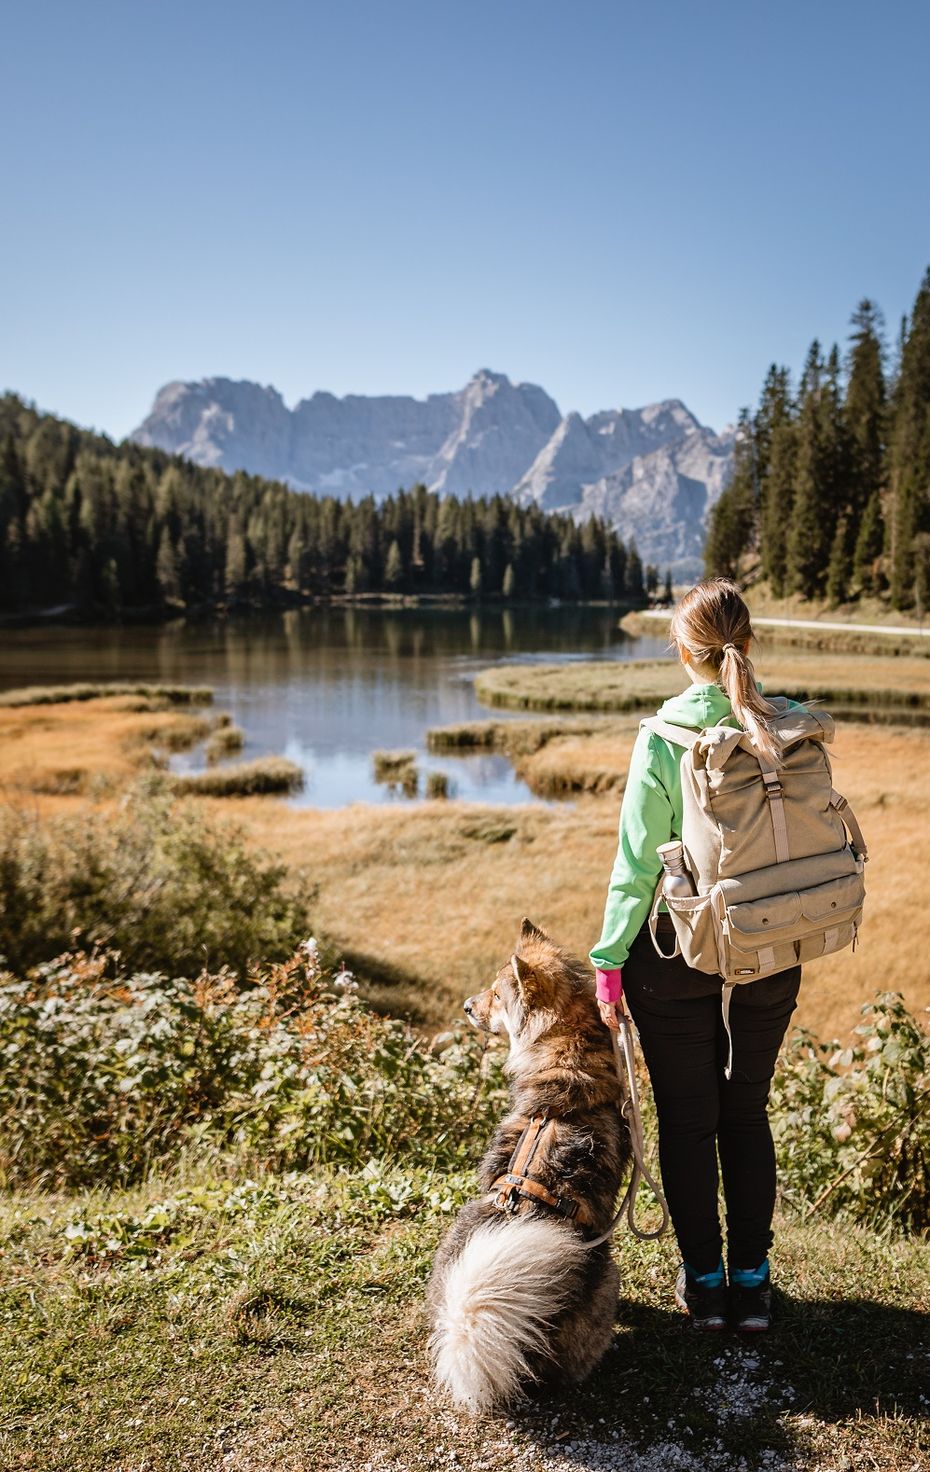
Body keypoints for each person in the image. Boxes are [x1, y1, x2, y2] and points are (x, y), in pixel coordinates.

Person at [589, 577, 801, 1333]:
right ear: (751, 644)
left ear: (682, 650)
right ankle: (755, 1284)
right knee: (747, 1113)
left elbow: (636, 864)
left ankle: (706, 1288)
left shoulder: (662, 736)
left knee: (687, 1121)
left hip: (672, 957)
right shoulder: (787, 721)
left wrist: (608, 961)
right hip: (770, 949)